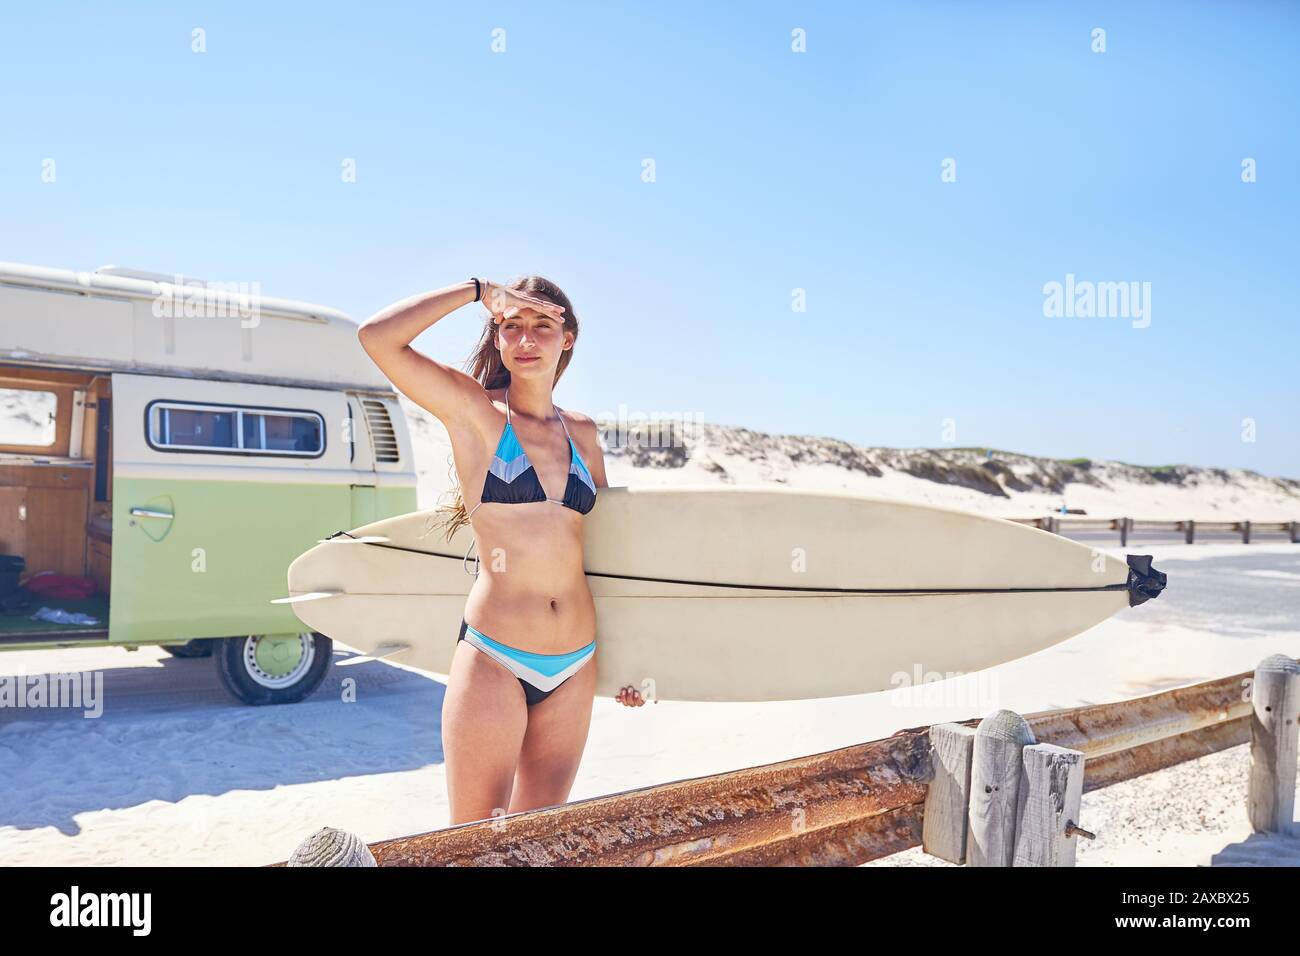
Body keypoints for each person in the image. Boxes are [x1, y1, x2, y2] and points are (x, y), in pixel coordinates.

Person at [358, 276, 645, 826]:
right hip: (496, 657)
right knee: (477, 843)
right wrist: (474, 291)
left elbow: (610, 560)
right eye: (512, 326)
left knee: (537, 846)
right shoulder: (475, 411)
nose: (527, 339)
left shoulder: (582, 433)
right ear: (497, 338)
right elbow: (377, 338)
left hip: (577, 661)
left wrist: (635, 665)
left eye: (544, 325)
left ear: (568, 340)